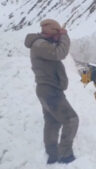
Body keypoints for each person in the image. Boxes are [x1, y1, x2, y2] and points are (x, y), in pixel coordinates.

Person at [24, 19, 79, 164]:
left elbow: (54, 51)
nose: (58, 38)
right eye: (57, 34)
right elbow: (59, 53)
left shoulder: (42, 43)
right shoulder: (40, 45)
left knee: (53, 121)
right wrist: (65, 36)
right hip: (50, 91)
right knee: (71, 120)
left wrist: (58, 37)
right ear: (52, 32)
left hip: (48, 90)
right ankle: (65, 155)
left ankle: (52, 154)